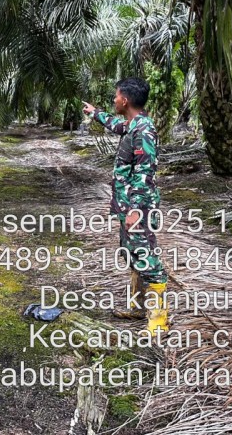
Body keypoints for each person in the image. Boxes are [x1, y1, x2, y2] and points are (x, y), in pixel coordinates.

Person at [83, 77, 169, 335]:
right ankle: (137, 307)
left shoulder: (144, 130)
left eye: (115, 96)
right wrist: (95, 113)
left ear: (125, 100)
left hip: (137, 208)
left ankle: (158, 322)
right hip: (127, 205)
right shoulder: (132, 124)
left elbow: (145, 173)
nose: (113, 100)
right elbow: (117, 125)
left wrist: (134, 210)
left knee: (148, 260)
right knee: (133, 256)